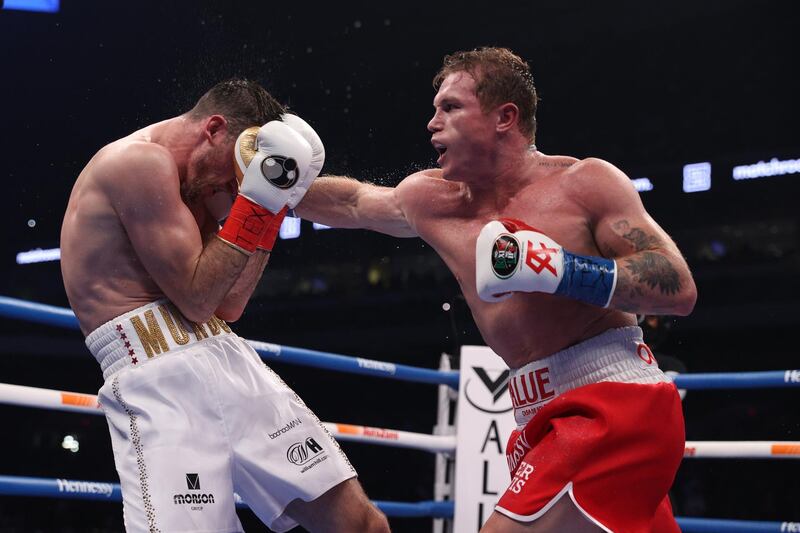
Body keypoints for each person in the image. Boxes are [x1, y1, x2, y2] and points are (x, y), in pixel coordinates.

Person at [295, 48, 697, 532]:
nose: (431, 123)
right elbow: (355, 201)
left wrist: (561, 270)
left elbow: (677, 287)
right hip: (538, 415)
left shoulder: (583, 183)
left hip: (613, 405)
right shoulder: (432, 199)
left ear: (505, 117)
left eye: (451, 107)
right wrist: (267, 182)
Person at [60, 79, 389, 533]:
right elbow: (197, 299)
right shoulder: (137, 162)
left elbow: (228, 303)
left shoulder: (206, 177)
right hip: (157, 378)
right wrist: (257, 200)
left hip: (224, 354)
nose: (228, 186)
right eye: (231, 170)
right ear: (214, 128)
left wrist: (271, 206)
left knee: (361, 525)